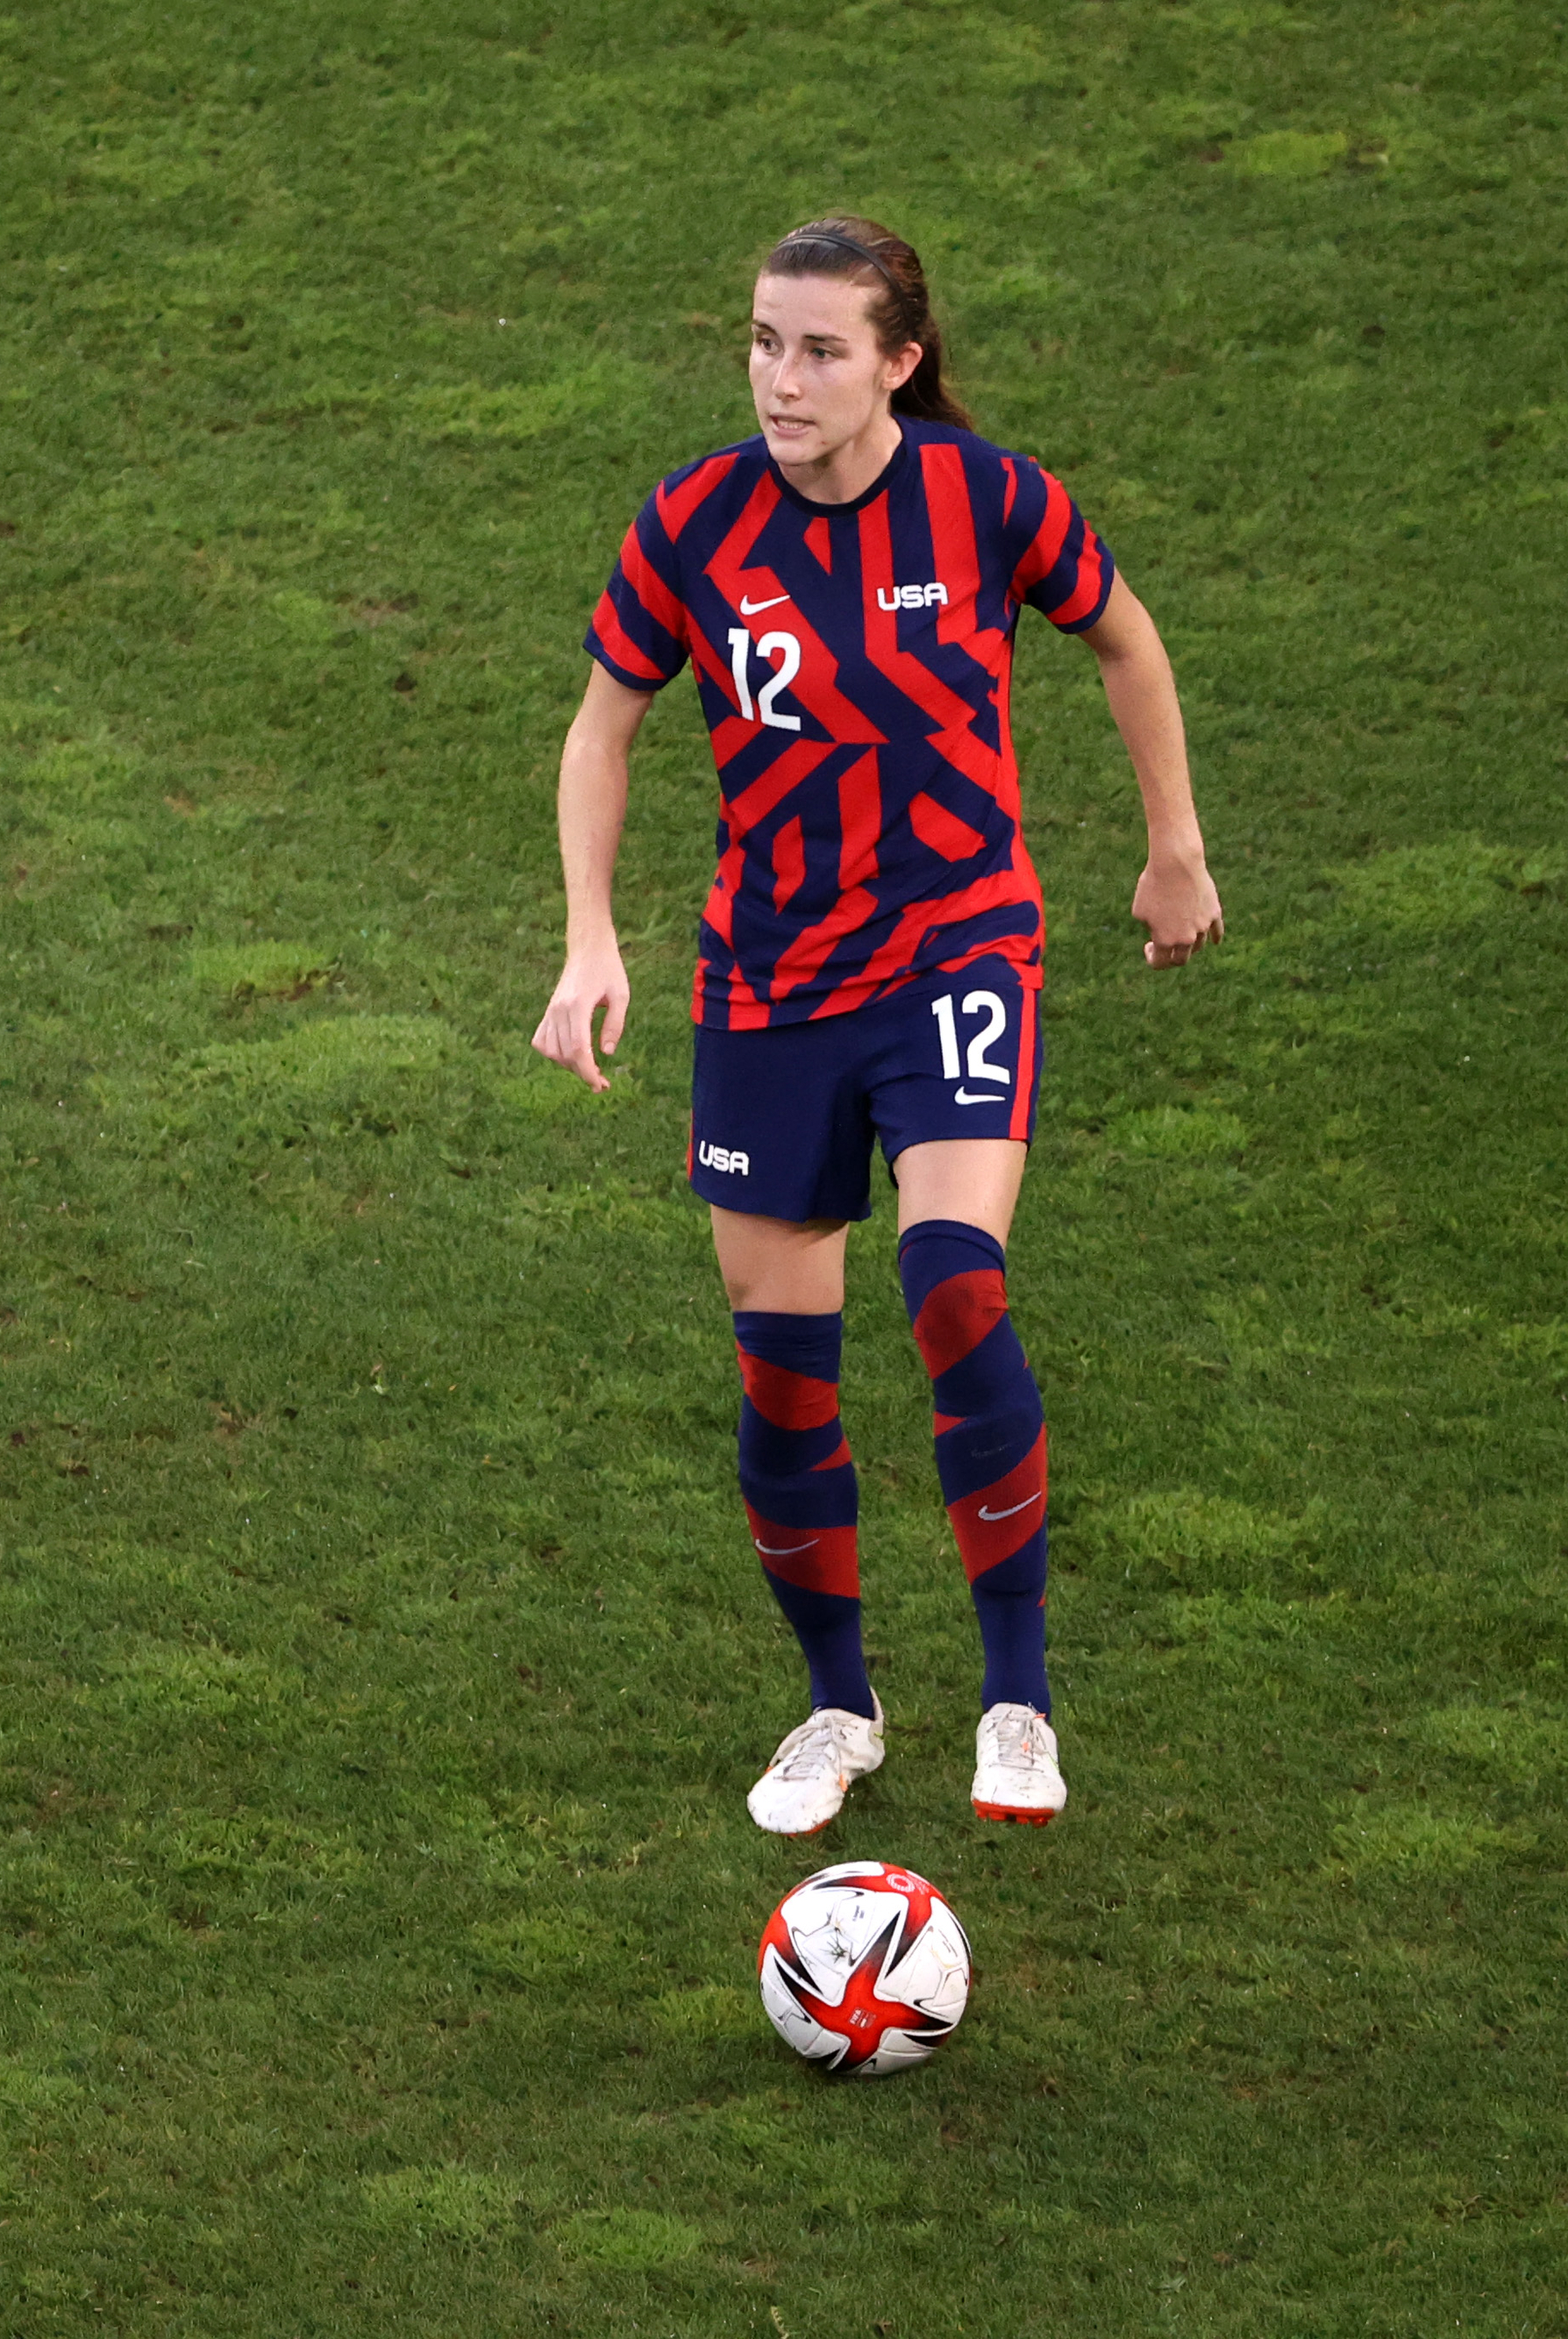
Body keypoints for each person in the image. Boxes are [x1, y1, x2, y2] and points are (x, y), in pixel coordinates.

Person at [530, 214, 1222, 1836]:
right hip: (768, 990)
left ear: (899, 361)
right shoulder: (692, 526)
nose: (782, 378)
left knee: (953, 1284)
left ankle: (1018, 1703)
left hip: (954, 952)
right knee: (784, 1376)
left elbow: (1125, 638)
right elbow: (601, 727)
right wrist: (584, 940)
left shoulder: (991, 501)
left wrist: (1171, 845)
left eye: (820, 348)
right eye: (764, 342)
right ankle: (840, 1708)